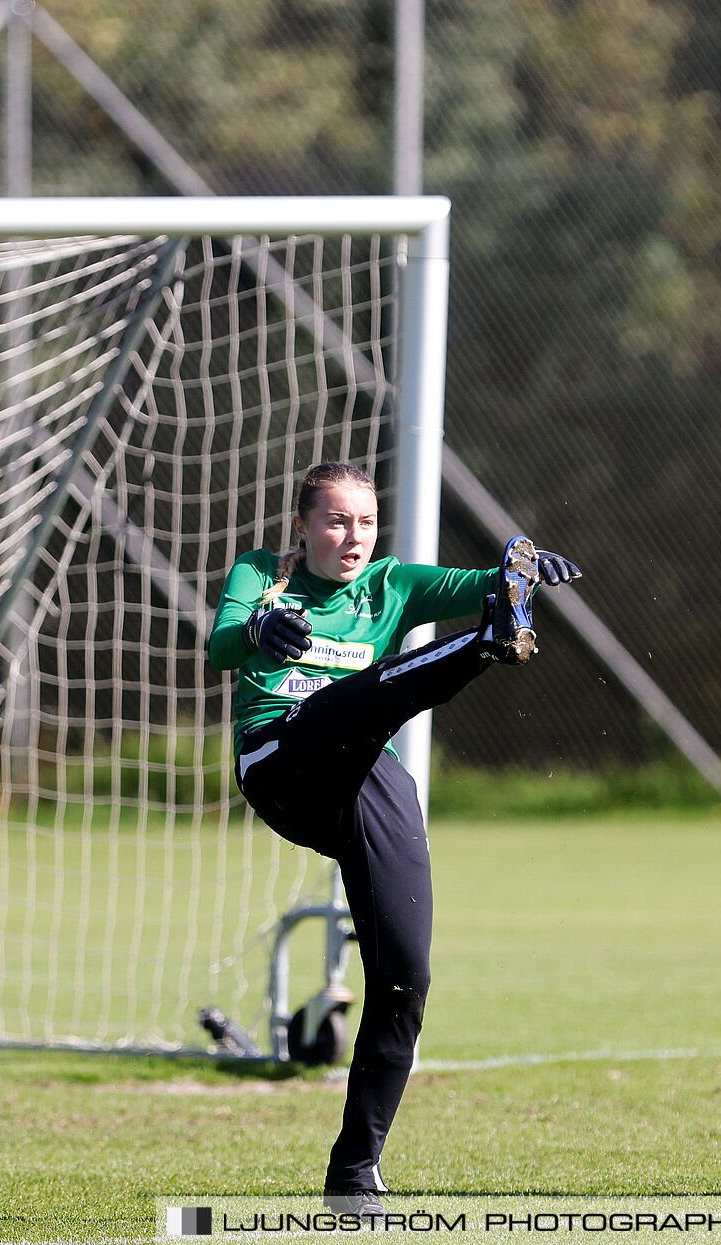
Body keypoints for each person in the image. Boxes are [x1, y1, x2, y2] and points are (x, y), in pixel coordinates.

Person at [206, 461, 581, 1215]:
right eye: (337, 520)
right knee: (364, 700)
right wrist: (256, 629)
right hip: (283, 759)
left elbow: (489, 574)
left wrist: (526, 571)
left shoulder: (391, 583)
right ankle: (486, 645)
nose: (353, 536)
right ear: (302, 526)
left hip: (366, 773)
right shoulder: (264, 574)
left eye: (366, 522)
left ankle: (354, 1174)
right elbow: (220, 646)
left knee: (407, 973)